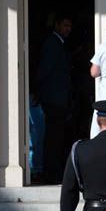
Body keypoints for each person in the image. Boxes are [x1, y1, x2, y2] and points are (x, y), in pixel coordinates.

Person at [36, 12, 74, 184]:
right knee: (53, 137)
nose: (68, 29)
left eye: (69, 26)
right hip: (53, 98)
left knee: (56, 136)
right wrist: (39, 92)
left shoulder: (59, 43)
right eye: (65, 25)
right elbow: (45, 70)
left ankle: (53, 171)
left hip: (57, 98)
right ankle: (52, 173)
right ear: (57, 25)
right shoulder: (52, 43)